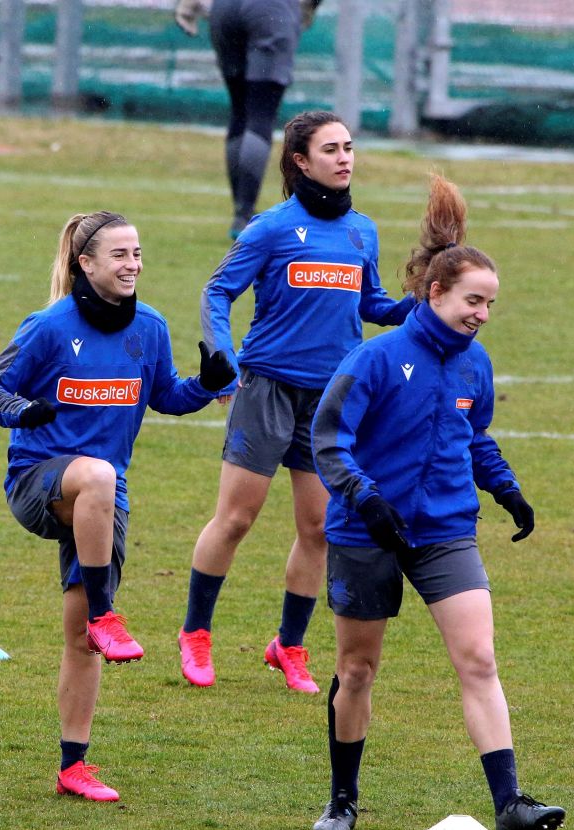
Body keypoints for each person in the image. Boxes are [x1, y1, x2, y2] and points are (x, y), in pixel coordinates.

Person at [308, 173, 564, 830]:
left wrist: (505, 490)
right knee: (357, 669)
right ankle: (342, 798)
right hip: (365, 532)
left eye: (488, 304)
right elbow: (328, 441)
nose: (480, 314)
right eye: (471, 301)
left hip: (446, 531)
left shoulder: (474, 365)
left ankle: (509, 805)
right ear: (434, 293)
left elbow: (473, 437)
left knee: (478, 659)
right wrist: (366, 500)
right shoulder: (376, 357)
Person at [0, 210, 235, 802]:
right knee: (95, 475)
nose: (132, 264)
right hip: (39, 483)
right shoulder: (48, 326)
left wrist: (209, 383)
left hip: (100, 504)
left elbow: (167, 396)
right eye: (119, 255)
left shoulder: (151, 327)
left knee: (79, 639)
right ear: (84, 264)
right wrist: (25, 412)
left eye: (137, 253)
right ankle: (106, 613)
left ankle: (74, 767)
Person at [179, 110, 414, 693]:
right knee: (237, 518)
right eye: (331, 149)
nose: (345, 158)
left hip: (331, 397)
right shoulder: (271, 228)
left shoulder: (362, 230)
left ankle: (288, 645)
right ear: (300, 162)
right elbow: (217, 290)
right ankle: (195, 634)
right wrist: (222, 362)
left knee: (319, 528)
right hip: (267, 389)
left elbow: (373, 306)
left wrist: (423, 300)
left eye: (350, 147)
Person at [175, 0, 322, 237]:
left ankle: (241, 211)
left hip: (225, 9)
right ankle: (244, 216)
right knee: (260, 113)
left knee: (240, 112)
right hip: (270, 10)